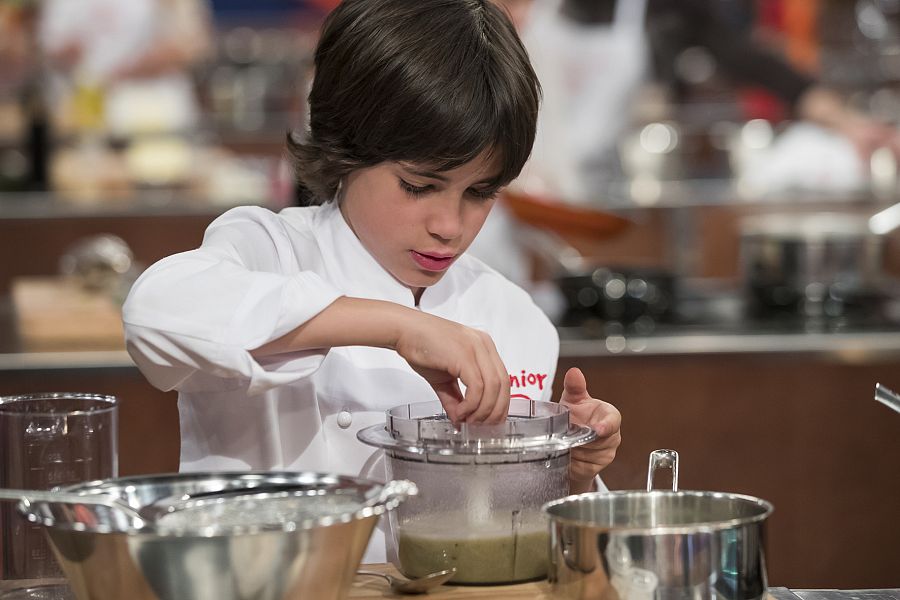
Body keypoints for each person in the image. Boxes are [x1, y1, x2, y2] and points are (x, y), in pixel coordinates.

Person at [122, 0, 622, 563]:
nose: (449, 226)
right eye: (418, 186)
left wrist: (569, 475)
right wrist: (397, 328)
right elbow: (153, 313)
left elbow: (507, 532)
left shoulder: (510, 314)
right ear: (345, 145)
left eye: (479, 193)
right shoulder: (271, 249)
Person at [491, 0, 900, 202]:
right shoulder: (517, 7)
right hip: (496, 183)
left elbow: (756, 63)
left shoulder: (662, 9)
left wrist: (852, 125)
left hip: (596, 197)